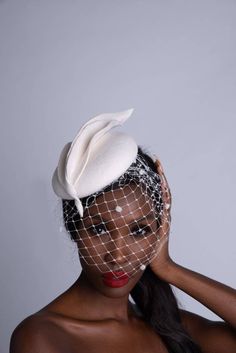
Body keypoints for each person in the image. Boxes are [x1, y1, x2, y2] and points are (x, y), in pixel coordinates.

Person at [10, 109, 236, 353]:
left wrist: (168, 268)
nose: (117, 256)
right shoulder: (42, 337)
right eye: (99, 229)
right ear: (74, 228)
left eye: (140, 230)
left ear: (160, 233)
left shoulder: (174, 329)